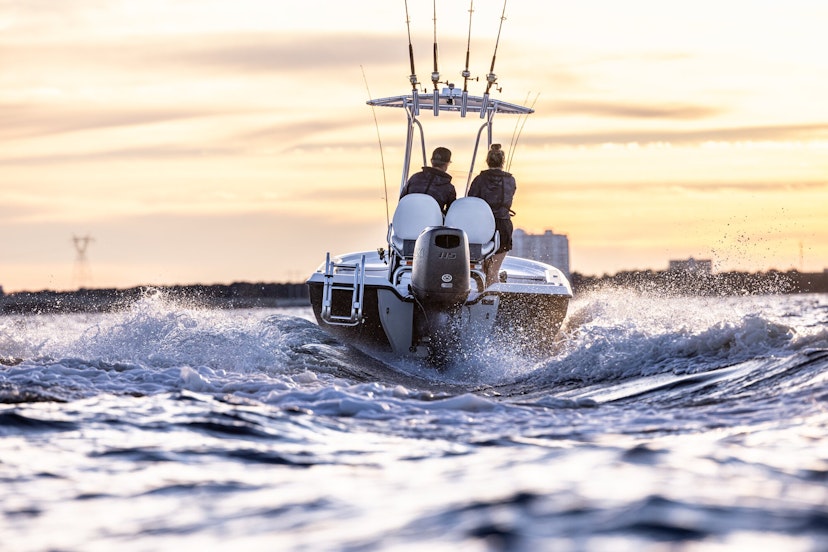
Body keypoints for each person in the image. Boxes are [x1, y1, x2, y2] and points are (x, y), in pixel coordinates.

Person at [467, 143, 516, 285]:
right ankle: (491, 302)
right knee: (493, 271)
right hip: (503, 226)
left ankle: (481, 299)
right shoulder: (510, 180)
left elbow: (471, 201)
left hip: (482, 226)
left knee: (482, 269)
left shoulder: (479, 180)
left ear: (487, 161)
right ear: (503, 161)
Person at [400, 146, 456, 215]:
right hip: (431, 225)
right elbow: (450, 213)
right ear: (447, 164)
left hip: (406, 220)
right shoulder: (449, 188)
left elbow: (402, 200)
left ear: (431, 161)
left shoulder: (415, 178)